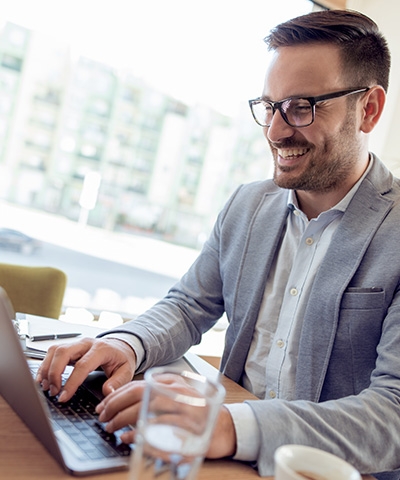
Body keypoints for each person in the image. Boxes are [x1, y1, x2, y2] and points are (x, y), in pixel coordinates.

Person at [37, 9, 400, 480]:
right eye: (270, 106)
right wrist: (128, 345)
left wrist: (226, 424)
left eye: (302, 107)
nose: (275, 131)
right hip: (222, 459)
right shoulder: (249, 204)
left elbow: (392, 414)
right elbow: (189, 306)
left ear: (368, 109)